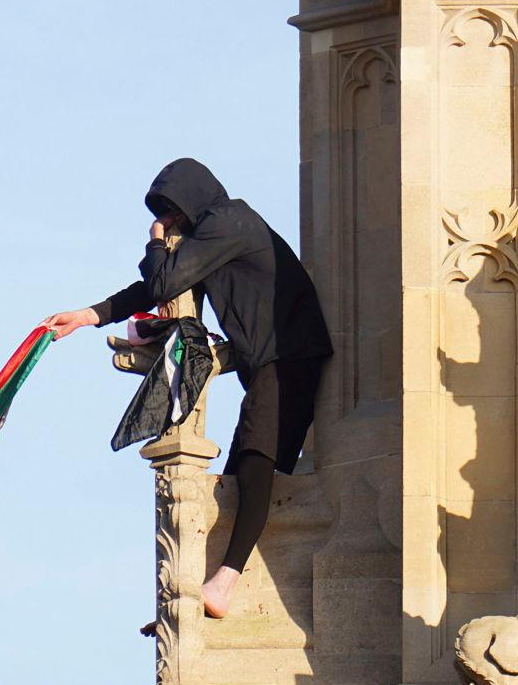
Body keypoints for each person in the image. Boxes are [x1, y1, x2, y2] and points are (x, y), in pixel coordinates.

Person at [41, 158, 332, 620]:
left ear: (192, 199)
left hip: (290, 357)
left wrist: (155, 242)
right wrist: (88, 315)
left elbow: (164, 280)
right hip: (270, 363)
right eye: (163, 215)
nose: (169, 223)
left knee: (256, 464)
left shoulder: (228, 221)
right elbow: (153, 287)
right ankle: (206, 589)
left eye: (171, 212)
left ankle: (225, 581)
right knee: (240, 474)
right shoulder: (215, 234)